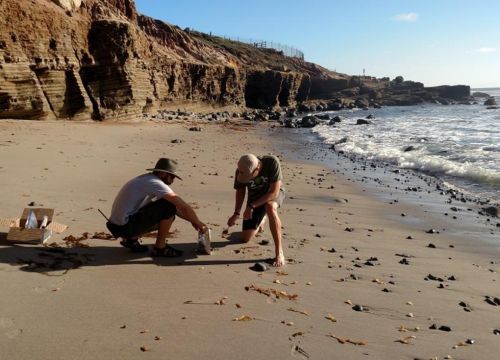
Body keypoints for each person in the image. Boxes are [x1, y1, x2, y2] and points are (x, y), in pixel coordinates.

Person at [106, 158, 207, 257]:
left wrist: (193, 221)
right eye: (172, 176)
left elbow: (177, 210)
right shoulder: (155, 183)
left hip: (117, 224)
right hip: (124, 226)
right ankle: (160, 248)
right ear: (163, 173)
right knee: (168, 207)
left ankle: (131, 239)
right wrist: (198, 223)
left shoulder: (147, 179)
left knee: (167, 206)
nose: (172, 180)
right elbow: (182, 206)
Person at [227, 154, 285, 267]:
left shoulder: (271, 163)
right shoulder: (242, 168)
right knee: (245, 238)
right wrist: (236, 213)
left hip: (273, 193)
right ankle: (262, 218)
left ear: (258, 168)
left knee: (270, 207)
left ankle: (279, 252)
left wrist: (251, 207)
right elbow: (240, 191)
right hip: (255, 198)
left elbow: (274, 192)